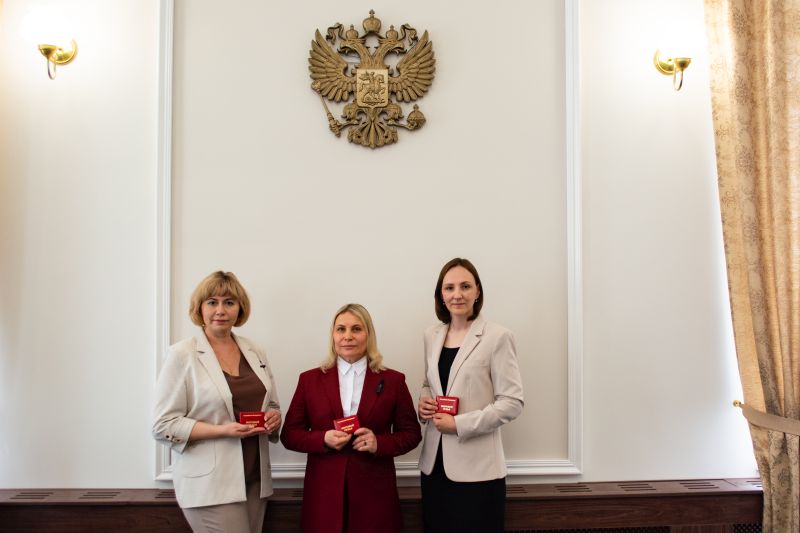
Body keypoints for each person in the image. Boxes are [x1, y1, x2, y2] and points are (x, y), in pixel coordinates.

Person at [152, 271, 281, 533]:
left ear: (240, 308)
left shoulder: (255, 351)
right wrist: (222, 430)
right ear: (200, 308)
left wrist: (274, 418)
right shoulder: (182, 354)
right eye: (212, 302)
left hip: (254, 479)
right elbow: (163, 425)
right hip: (210, 485)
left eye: (229, 302)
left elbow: (272, 405)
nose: (220, 310)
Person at [280, 303, 421, 533]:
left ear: (368, 334)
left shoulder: (393, 381)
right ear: (333, 336)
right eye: (341, 329)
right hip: (323, 495)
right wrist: (322, 439)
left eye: (356, 329)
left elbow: (412, 434)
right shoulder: (309, 380)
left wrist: (379, 443)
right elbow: (289, 435)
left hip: (375, 496)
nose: (347, 336)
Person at [418, 258, 524, 533]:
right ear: (440, 295)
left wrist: (459, 424)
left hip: (478, 473)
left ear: (477, 291)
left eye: (465, 286)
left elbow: (512, 402)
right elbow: (430, 383)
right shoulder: (431, 335)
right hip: (434, 468)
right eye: (449, 288)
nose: (457, 294)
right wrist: (424, 403)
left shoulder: (498, 336)